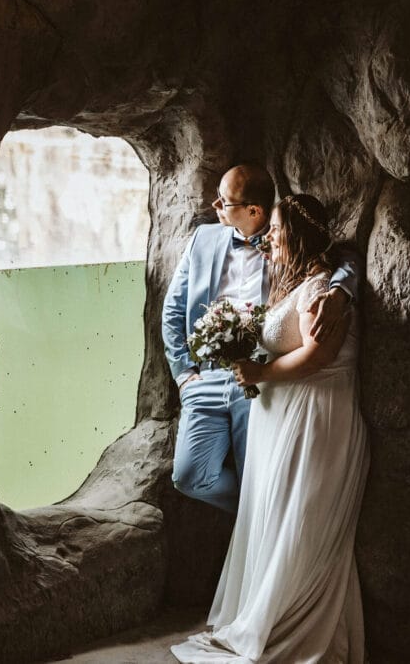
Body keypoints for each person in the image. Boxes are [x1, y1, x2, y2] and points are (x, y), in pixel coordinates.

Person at [171, 194, 370, 663]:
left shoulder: (323, 290)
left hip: (314, 420)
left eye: (276, 229)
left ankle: (292, 626)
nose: (269, 238)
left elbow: (319, 355)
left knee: (301, 522)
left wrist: (259, 373)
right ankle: (269, 609)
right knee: (278, 518)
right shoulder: (292, 277)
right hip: (284, 417)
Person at [162, 165, 359, 513]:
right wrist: (183, 375)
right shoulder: (202, 239)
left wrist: (340, 291)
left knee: (261, 472)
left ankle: (267, 524)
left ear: (254, 210)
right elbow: (173, 310)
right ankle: (261, 517)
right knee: (189, 477)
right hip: (205, 377)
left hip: (263, 382)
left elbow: (344, 258)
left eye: (224, 200)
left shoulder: (287, 238)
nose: (215, 205)